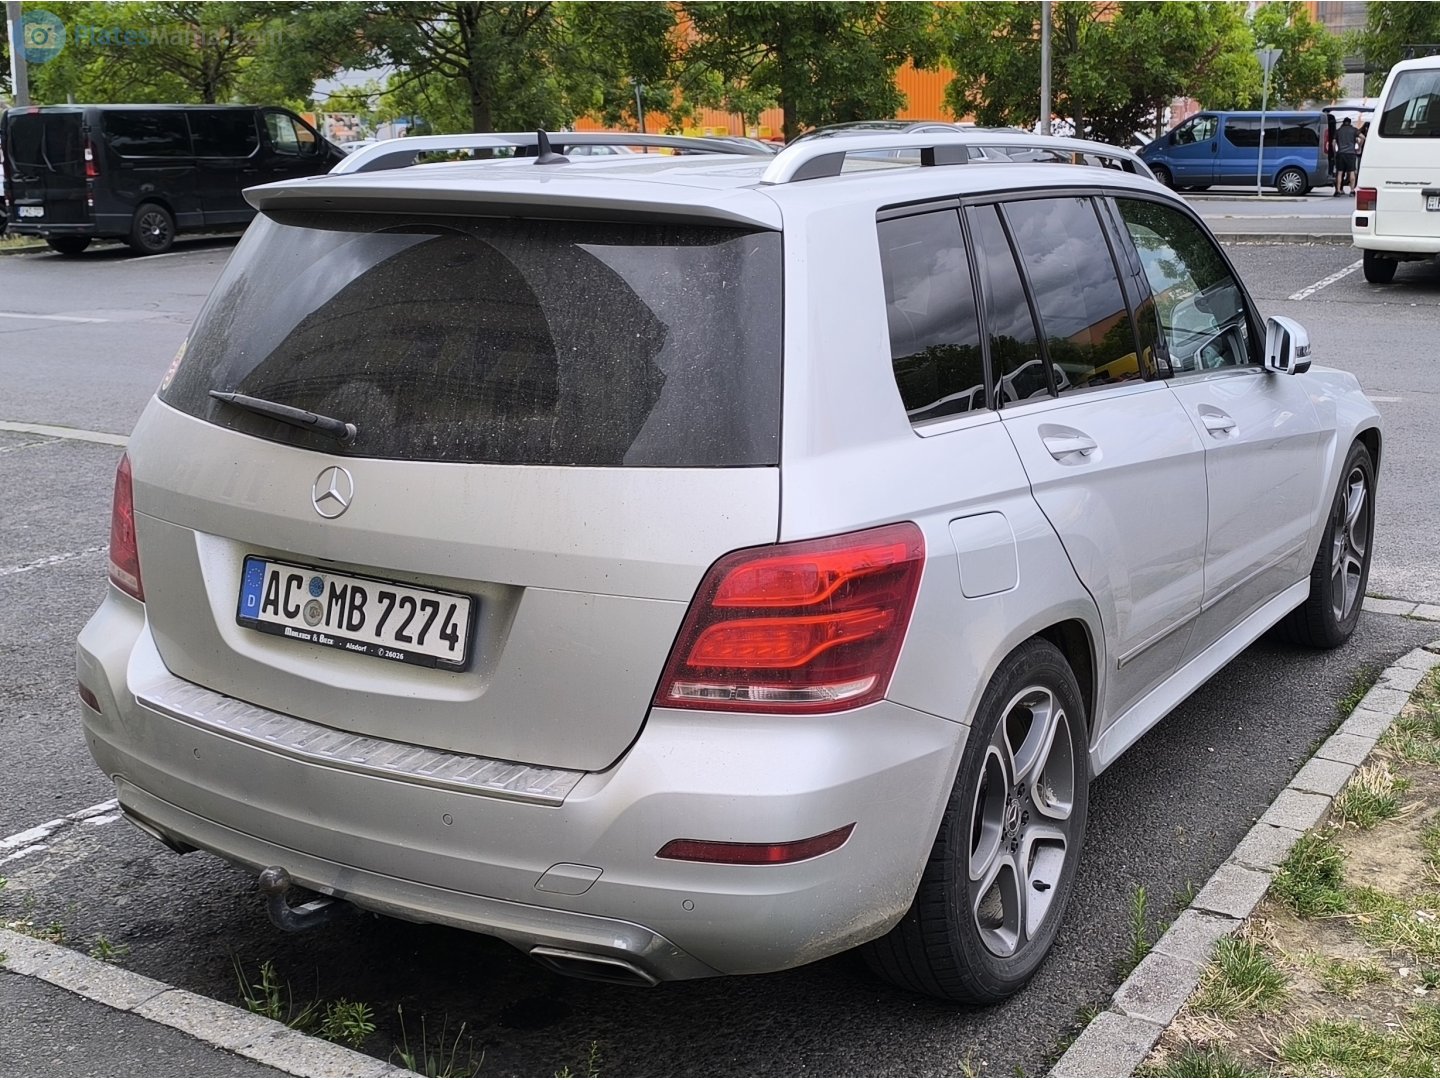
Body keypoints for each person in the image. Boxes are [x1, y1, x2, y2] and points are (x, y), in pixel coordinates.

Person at [1334, 116, 1359, 196]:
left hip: (1341, 153)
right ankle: (1352, 191)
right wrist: (1359, 146)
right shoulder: (1354, 130)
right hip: (1351, 154)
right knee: (1352, 172)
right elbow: (1363, 137)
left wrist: (1335, 151)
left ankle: (1338, 191)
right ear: (1350, 123)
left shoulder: (1338, 131)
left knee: (1340, 173)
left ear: (1343, 123)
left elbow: (1333, 142)